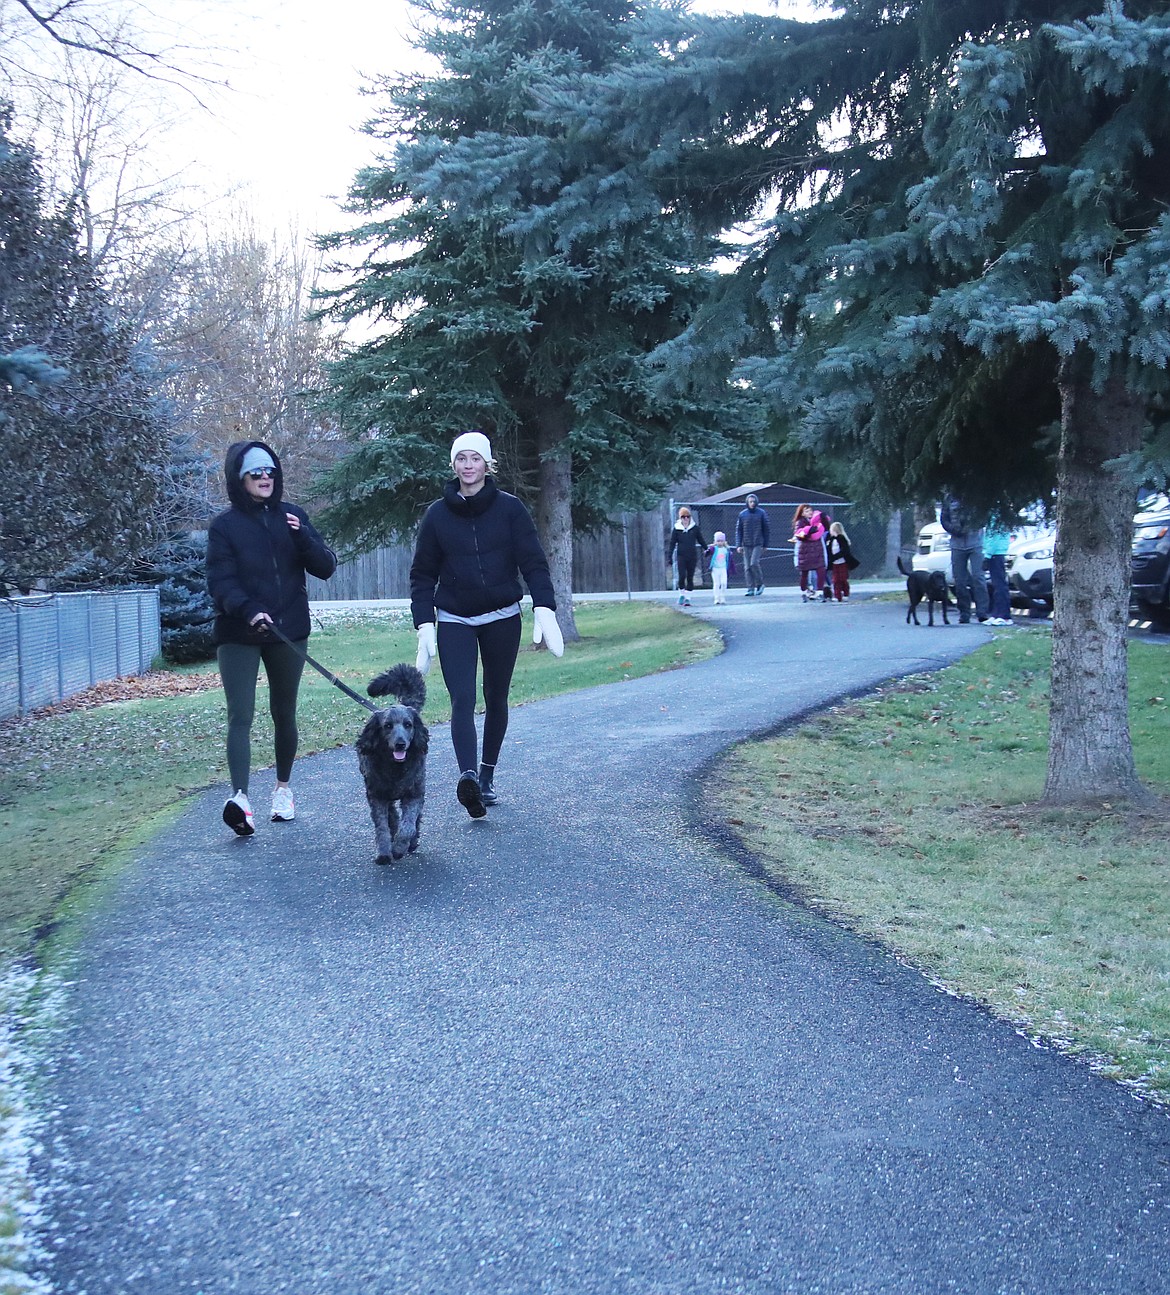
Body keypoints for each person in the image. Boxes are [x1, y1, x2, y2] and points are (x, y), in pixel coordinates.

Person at [410, 430, 563, 818]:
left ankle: (487, 775)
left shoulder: (510, 510)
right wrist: (424, 623)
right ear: (454, 465)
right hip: (455, 619)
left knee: (496, 696)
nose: (468, 465)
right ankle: (468, 780)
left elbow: (533, 561)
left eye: (474, 458)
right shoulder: (437, 515)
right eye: (461, 459)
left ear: (486, 464)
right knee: (462, 698)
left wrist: (544, 606)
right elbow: (422, 575)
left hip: (502, 617)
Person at [207, 441, 337, 836]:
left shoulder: (294, 517)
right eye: (255, 473)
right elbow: (220, 582)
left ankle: (283, 790)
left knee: (285, 712)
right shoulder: (224, 527)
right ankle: (241, 800)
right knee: (240, 715)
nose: (265, 478)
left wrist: (304, 539)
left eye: (270, 471)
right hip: (238, 633)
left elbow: (326, 566)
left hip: (288, 632)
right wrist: (248, 610)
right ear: (239, 479)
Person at [940, 493, 989, 624]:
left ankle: (982, 612)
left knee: (978, 577)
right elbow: (944, 519)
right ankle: (964, 613)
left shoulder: (976, 495)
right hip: (957, 544)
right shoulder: (949, 497)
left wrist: (970, 526)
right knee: (959, 580)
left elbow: (984, 518)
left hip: (975, 543)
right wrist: (954, 530)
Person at [666, 506, 707, 606]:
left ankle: (688, 598)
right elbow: (672, 543)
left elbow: (701, 540)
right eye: (683, 517)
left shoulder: (695, 528)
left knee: (690, 577)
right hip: (681, 556)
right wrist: (669, 556)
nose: (685, 519)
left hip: (692, 556)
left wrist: (707, 549)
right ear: (680, 518)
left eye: (687, 516)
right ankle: (681, 594)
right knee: (682, 576)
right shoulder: (677, 529)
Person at [735, 493, 771, 597]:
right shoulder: (742, 514)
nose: (752, 503)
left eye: (754, 501)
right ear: (747, 502)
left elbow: (766, 529)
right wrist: (738, 545)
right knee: (747, 567)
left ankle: (760, 584)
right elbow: (739, 530)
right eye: (750, 502)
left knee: (753, 563)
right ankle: (750, 588)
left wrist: (765, 544)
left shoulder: (761, 513)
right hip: (746, 544)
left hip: (758, 543)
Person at [791, 504, 828, 601]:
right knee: (804, 573)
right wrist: (809, 531)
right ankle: (804, 592)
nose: (810, 512)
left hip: (817, 550)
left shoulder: (817, 521)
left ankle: (820, 592)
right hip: (805, 551)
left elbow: (825, 528)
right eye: (806, 511)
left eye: (810, 510)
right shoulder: (800, 522)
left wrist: (823, 518)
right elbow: (799, 535)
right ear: (802, 513)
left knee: (821, 570)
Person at [983, 519, 1013, 625]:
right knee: (996, 585)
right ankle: (996, 614)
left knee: (1000, 585)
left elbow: (993, 537)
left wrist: (987, 555)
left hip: (996, 553)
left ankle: (1004, 616)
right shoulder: (993, 514)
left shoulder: (995, 515)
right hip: (994, 553)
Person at [825, 521, 858, 602]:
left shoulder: (841, 539)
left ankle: (846, 594)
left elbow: (844, 551)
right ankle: (837, 596)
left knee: (843, 579)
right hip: (834, 563)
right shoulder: (831, 540)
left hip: (842, 562)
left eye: (831, 530)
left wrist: (835, 557)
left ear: (835, 530)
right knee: (836, 580)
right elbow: (828, 550)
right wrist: (831, 559)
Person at [707, 531, 735, 604]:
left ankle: (722, 596)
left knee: (723, 583)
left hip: (723, 569)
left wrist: (732, 569)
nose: (720, 542)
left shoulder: (726, 550)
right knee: (716, 584)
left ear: (724, 541)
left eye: (721, 541)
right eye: (718, 541)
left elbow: (730, 560)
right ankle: (716, 598)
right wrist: (709, 549)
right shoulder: (714, 549)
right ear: (715, 541)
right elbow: (707, 554)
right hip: (715, 569)